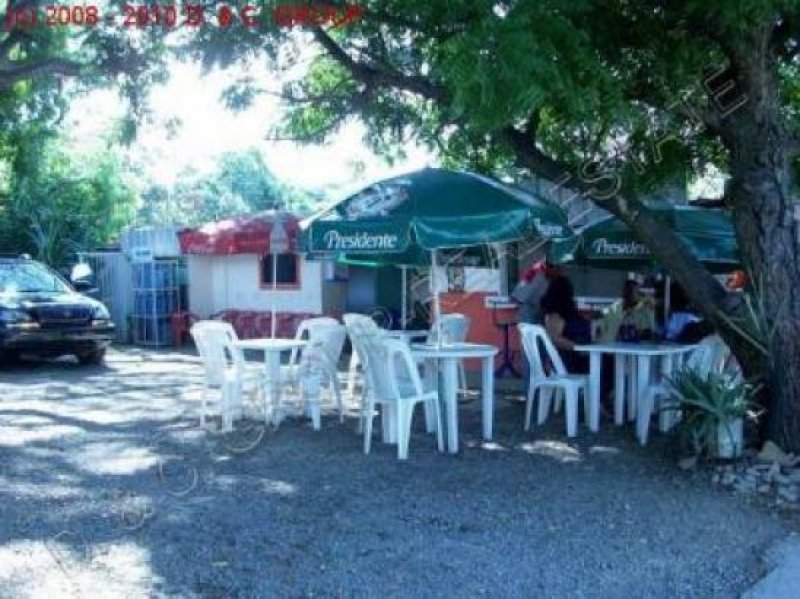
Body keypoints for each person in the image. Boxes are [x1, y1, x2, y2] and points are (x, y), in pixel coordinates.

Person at [540, 275, 591, 373]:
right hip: (568, 363)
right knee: (607, 363)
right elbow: (554, 339)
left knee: (607, 361)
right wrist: (577, 347)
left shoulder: (559, 313)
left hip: (571, 359)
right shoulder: (555, 315)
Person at [511, 261, 550, 325]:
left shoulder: (545, 281)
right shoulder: (530, 280)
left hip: (537, 318)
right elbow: (515, 298)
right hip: (527, 318)